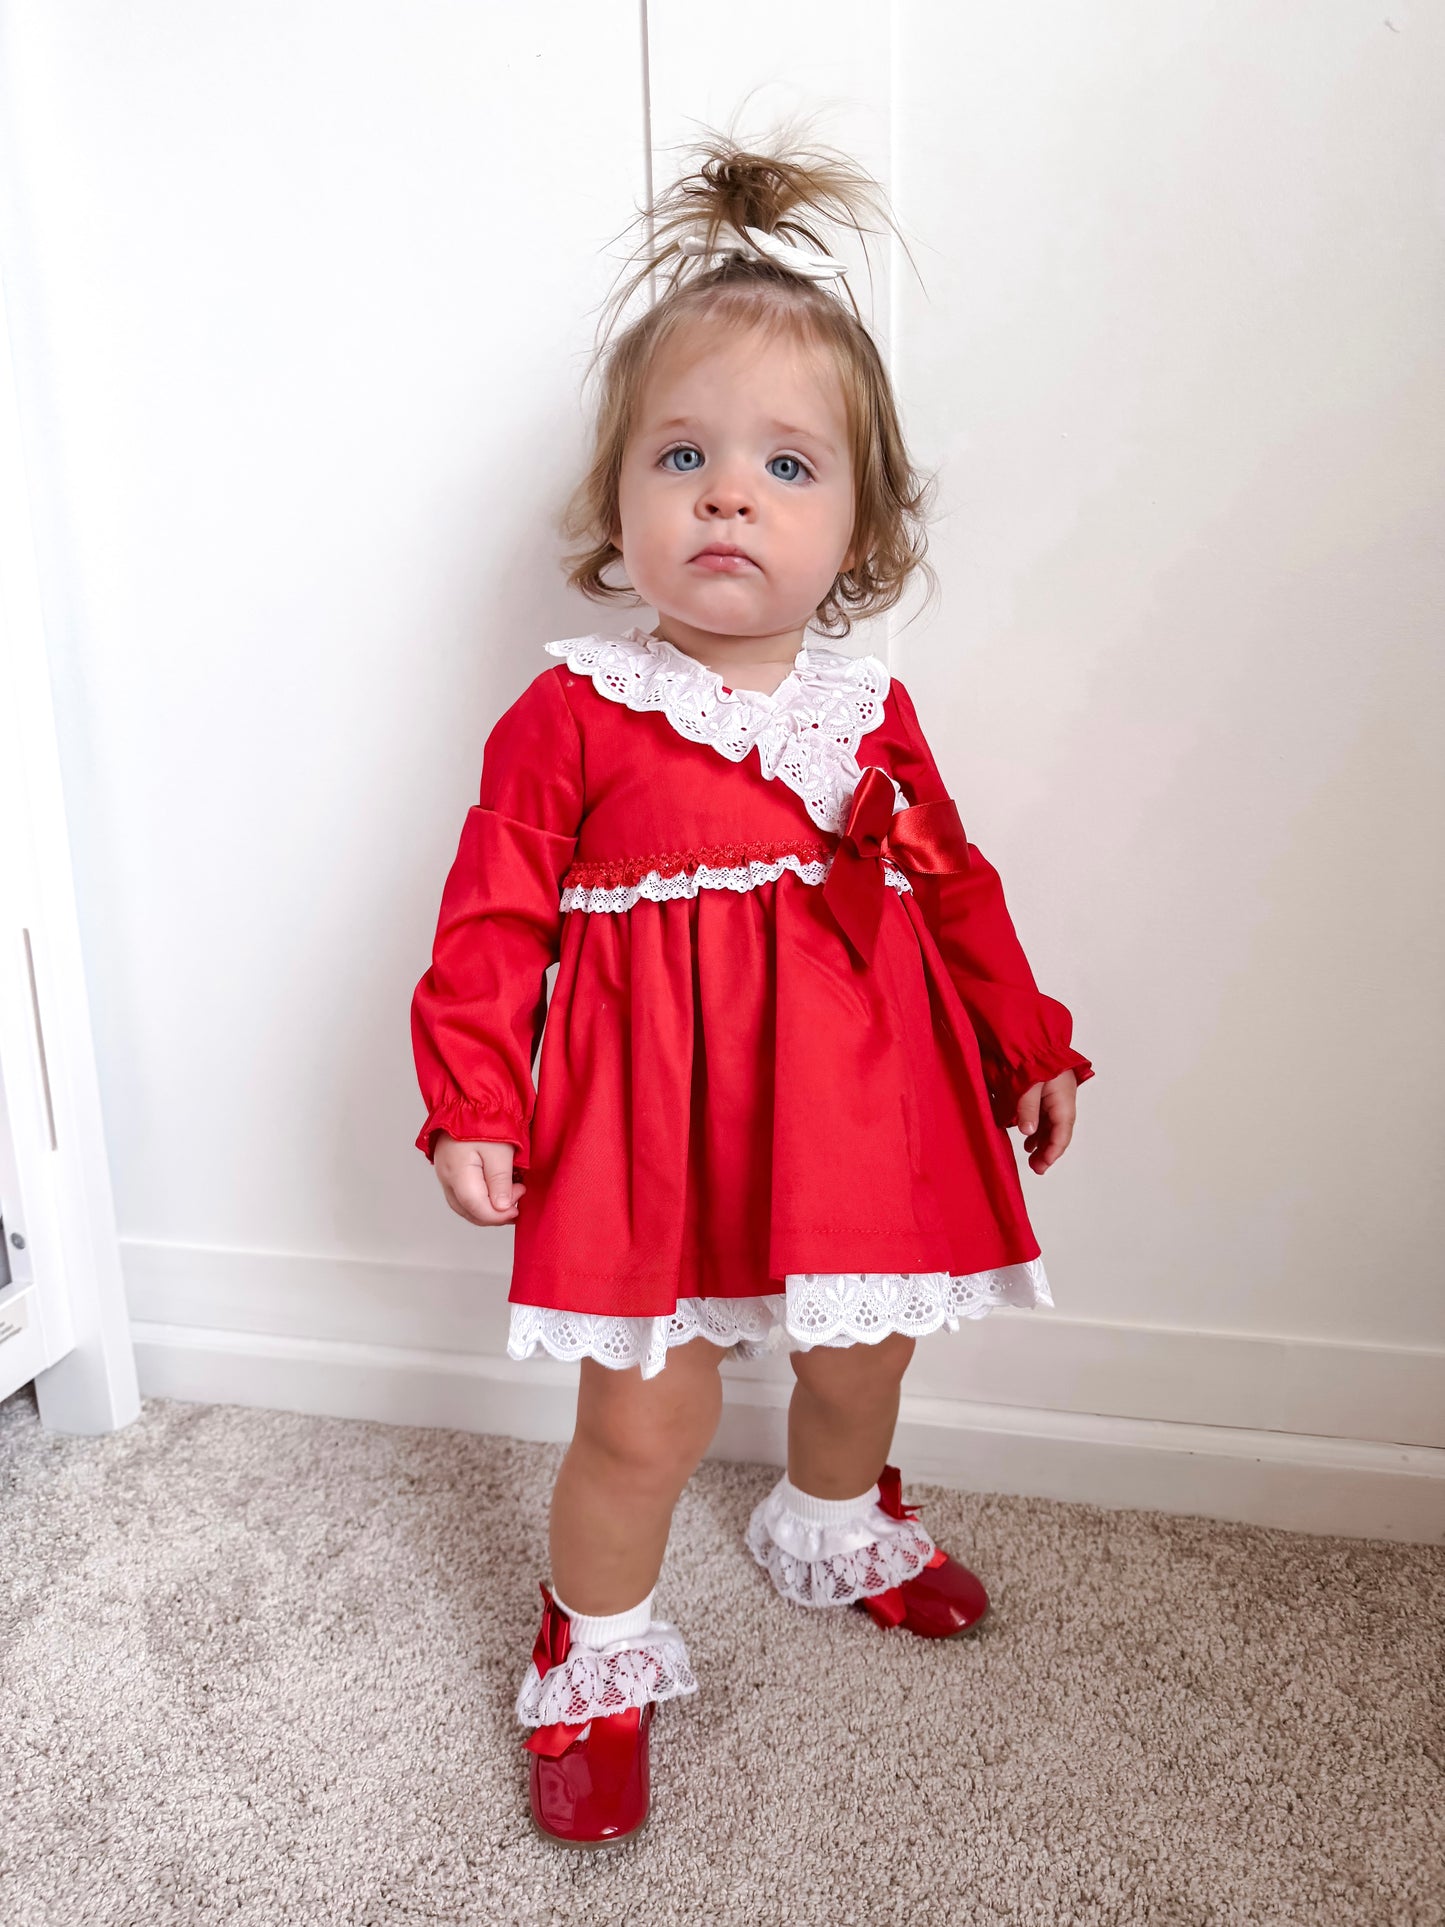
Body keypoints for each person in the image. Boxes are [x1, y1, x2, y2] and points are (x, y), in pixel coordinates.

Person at [410, 128, 1095, 1850]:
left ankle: (832, 1514)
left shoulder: (869, 713)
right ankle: (598, 1643)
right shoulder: (570, 711)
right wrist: (476, 1097)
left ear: (857, 529)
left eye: (787, 466)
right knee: (642, 1417)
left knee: (858, 1359)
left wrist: (1025, 1041)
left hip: (866, 1108)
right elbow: (493, 917)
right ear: (617, 501)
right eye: (684, 453)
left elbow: (951, 887)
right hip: (653, 1125)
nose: (728, 492)